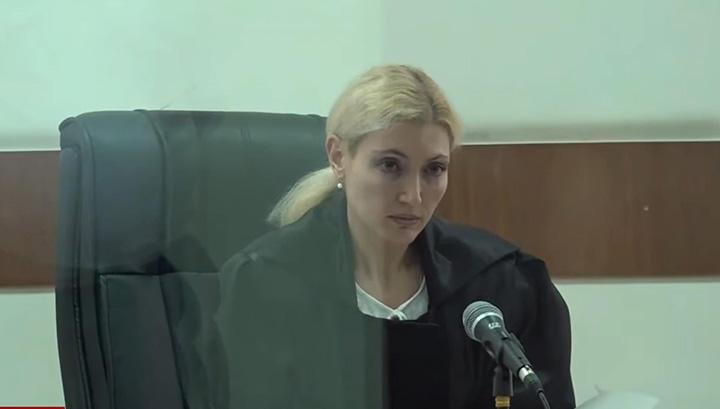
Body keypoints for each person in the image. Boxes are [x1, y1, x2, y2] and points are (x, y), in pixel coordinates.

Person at [214, 65, 575, 409]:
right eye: (390, 165)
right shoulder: (267, 284)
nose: (413, 196)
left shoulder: (503, 284)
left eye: (434, 169)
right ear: (339, 157)